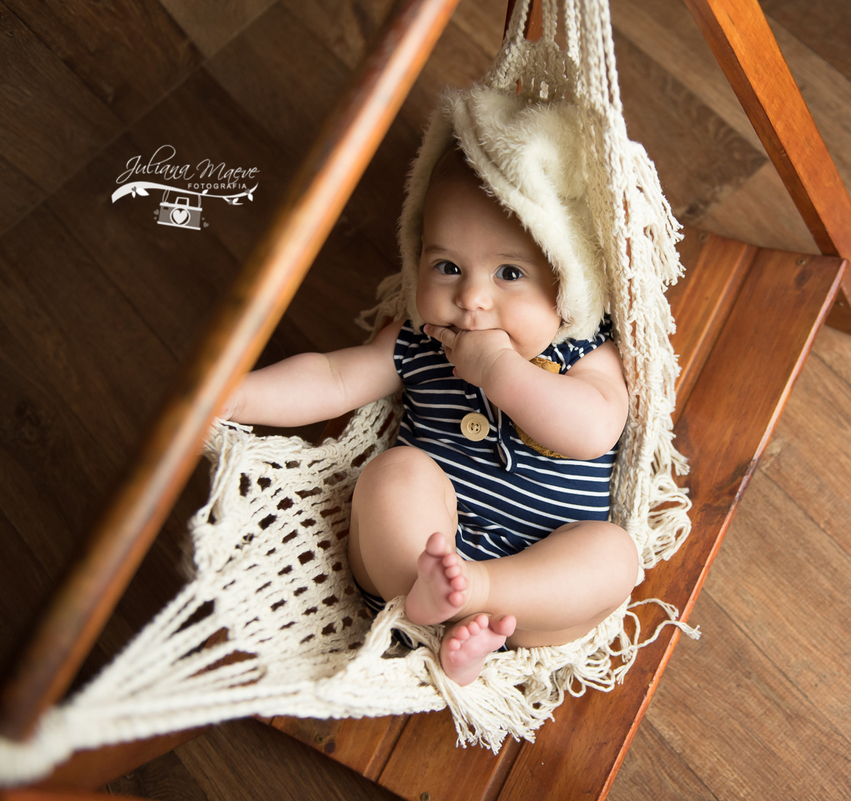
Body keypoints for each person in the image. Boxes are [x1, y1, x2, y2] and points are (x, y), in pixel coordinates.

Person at [224, 89, 638, 686]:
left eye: (510, 273)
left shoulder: (584, 348)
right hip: (420, 554)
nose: (472, 299)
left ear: (567, 280)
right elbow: (334, 377)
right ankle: (438, 612)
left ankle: (476, 601)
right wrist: (235, 398)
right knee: (393, 476)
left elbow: (595, 430)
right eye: (447, 267)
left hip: (538, 580)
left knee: (613, 557)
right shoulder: (422, 340)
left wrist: (502, 372)